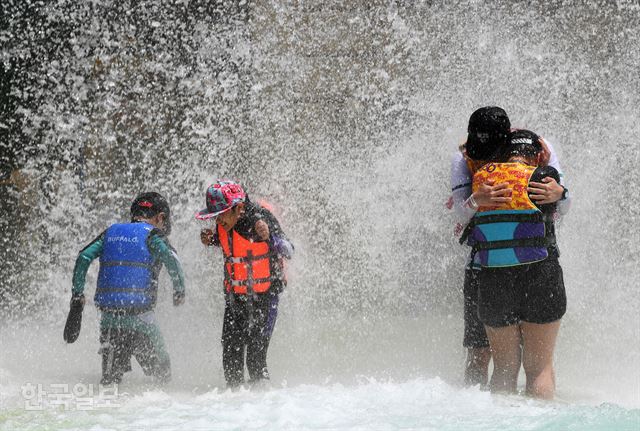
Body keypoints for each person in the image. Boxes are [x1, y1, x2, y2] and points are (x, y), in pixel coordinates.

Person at [449, 106, 571, 386]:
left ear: (505, 138)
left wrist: (560, 193)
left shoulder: (539, 148)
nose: (482, 153)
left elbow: (562, 202)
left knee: (509, 367)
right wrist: (476, 200)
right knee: (481, 356)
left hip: (516, 265)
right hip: (482, 266)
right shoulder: (463, 157)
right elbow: (459, 212)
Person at [67, 192, 185, 385]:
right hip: (141, 319)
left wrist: (78, 295)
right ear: (160, 217)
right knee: (163, 376)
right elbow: (172, 260)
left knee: (110, 382)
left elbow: (83, 257)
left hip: (109, 320)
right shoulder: (153, 236)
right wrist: (179, 290)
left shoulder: (110, 232)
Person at [196, 180, 293, 389]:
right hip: (235, 299)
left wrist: (270, 238)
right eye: (215, 215)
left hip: (265, 298)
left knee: (256, 360)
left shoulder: (261, 220)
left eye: (221, 214)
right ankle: (236, 412)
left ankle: (265, 408)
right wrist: (212, 239)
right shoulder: (226, 222)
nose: (218, 219)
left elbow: (289, 250)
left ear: (238, 209)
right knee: (231, 358)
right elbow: (233, 244)